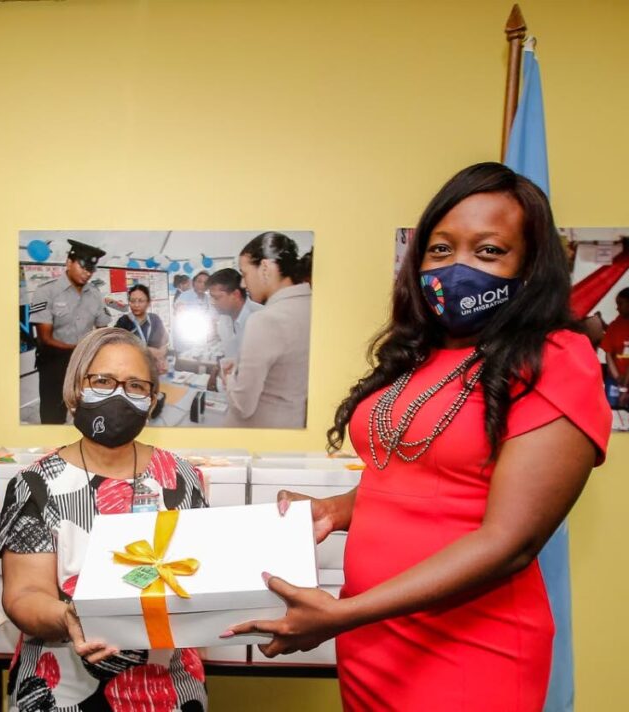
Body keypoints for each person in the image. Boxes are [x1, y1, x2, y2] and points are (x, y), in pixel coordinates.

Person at [226, 163, 611, 711]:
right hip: (373, 636)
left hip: (469, 646)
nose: (457, 268)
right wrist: (336, 509)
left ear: (530, 265)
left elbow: (510, 543)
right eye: (440, 249)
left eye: (488, 251)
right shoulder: (416, 355)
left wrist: (341, 615)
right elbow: (417, 478)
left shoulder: (554, 358)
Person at [0, 327, 208, 710]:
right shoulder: (34, 483)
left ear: (152, 398)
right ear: (77, 387)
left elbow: (200, 577)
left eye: (135, 386)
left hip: (168, 689)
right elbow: (23, 595)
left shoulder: (182, 477)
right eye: (102, 381)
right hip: (58, 687)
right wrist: (69, 617)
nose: (118, 395)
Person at [220, 233, 311, 428]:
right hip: (292, 423)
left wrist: (228, 376)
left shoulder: (264, 320)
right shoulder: (311, 306)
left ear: (265, 268)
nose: (244, 284)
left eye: (244, 274)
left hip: (257, 432)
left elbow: (243, 406)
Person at [30, 240, 109, 424]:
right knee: (52, 415)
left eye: (91, 269)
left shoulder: (95, 294)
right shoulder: (46, 292)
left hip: (86, 364)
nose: (87, 272)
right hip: (54, 363)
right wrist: (81, 349)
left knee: (87, 413)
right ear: (69, 262)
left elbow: (102, 328)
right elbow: (45, 338)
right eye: (83, 266)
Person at [206, 268, 261, 360]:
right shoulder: (223, 321)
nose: (213, 302)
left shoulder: (261, 318)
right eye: (211, 297)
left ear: (236, 295)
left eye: (217, 298)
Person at [114, 284, 169, 372]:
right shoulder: (123, 322)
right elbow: (118, 348)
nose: (136, 305)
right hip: (131, 369)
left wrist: (162, 358)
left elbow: (164, 342)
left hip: (154, 370)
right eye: (132, 301)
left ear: (148, 303)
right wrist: (147, 350)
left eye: (140, 301)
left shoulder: (155, 319)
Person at [600, 287, 629, 408]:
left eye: (620, 303)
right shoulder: (615, 325)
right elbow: (608, 354)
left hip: (627, 379)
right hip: (614, 379)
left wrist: (625, 385)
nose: (617, 308)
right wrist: (617, 377)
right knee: (611, 408)